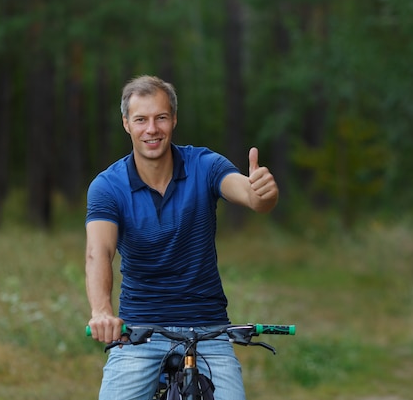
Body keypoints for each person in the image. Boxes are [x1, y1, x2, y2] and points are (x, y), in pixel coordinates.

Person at [85, 75, 279, 400]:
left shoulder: (205, 165)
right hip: (140, 332)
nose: (152, 129)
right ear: (126, 124)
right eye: (141, 120)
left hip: (208, 328)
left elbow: (248, 194)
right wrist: (102, 311)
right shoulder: (107, 186)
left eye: (160, 117)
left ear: (174, 119)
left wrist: (262, 194)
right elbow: (98, 252)